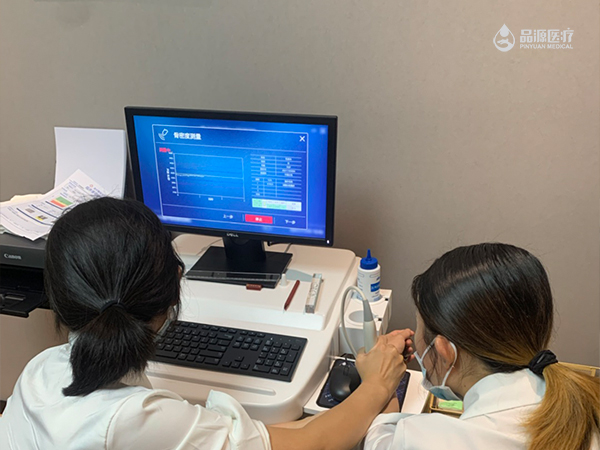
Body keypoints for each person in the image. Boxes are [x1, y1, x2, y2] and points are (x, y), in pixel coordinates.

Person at [0, 197, 413, 450]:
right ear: (174, 285)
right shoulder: (137, 420)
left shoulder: (39, 373)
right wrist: (379, 384)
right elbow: (312, 445)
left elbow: (252, 438)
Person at [364, 243, 600, 450]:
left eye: (419, 329)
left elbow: (380, 441)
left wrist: (379, 381)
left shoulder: (429, 441)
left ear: (446, 352)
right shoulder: (576, 398)